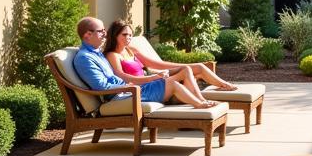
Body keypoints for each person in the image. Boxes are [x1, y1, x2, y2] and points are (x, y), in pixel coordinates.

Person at [73, 17, 212, 108]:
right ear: (87, 35)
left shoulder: (97, 53)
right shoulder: (85, 58)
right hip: (122, 95)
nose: (105, 34)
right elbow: (101, 87)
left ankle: (200, 103)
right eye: (100, 31)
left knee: (178, 79)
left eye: (104, 30)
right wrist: (130, 85)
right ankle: (200, 106)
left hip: (128, 90)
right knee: (173, 84)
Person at [103, 20, 236, 92]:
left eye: (130, 35)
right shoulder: (113, 55)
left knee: (198, 67)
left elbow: (156, 64)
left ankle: (223, 85)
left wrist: (185, 65)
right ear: (115, 35)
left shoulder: (131, 49)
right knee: (190, 72)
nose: (128, 38)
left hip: (154, 78)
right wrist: (152, 78)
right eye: (124, 35)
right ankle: (201, 102)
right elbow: (123, 77)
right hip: (145, 85)